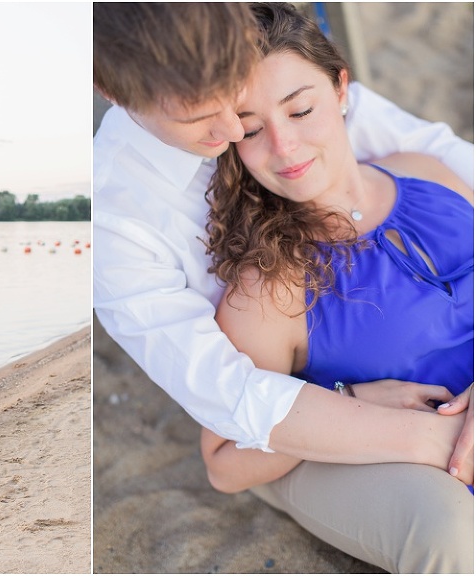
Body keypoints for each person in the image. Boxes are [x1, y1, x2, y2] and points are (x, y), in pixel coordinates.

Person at [93, 2, 473, 480]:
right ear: (110, 94)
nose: (234, 129)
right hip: (285, 407)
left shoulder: (282, 75)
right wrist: (438, 438)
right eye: (203, 116)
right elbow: (230, 401)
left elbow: (441, 157)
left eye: (233, 97)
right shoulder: (116, 224)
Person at [198, 3, 472, 571]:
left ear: (341, 88)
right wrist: (349, 398)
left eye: (300, 109)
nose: (285, 146)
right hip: (418, 459)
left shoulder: (425, 173)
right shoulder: (269, 286)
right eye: (251, 129)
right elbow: (223, 461)